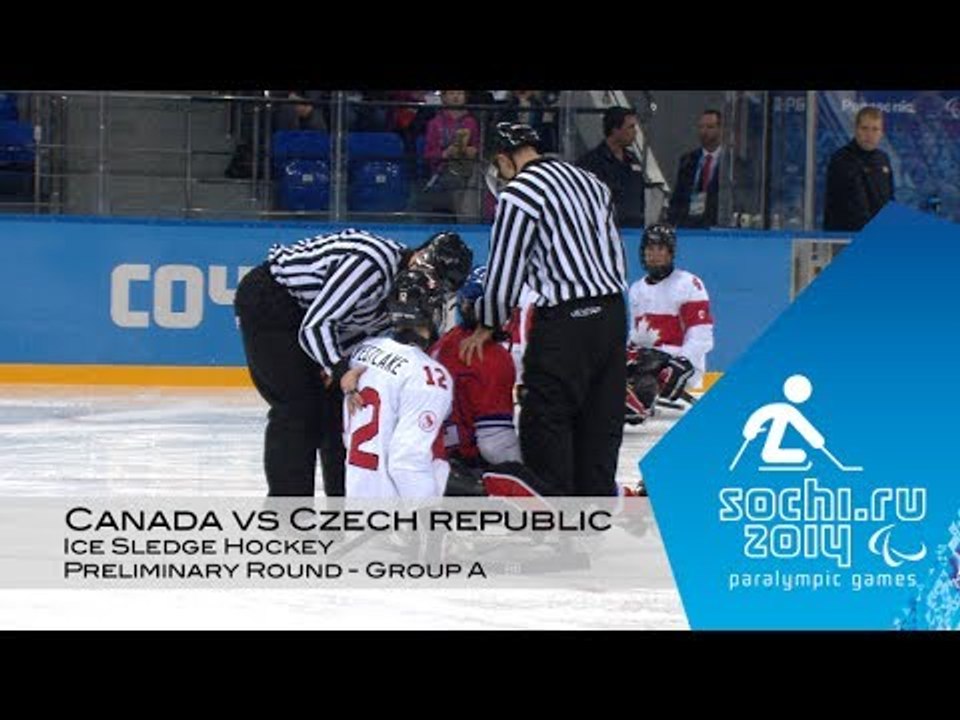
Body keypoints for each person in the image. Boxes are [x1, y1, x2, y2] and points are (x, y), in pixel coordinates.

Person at [233, 228, 472, 497]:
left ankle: (343, 507)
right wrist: (336, 367)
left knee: (338, 410)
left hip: (312, 315)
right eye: (432, 279)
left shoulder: (406, 289)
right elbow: (317, 324)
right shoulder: (371, 263)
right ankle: (289, 515)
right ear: (419, 257)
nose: (431, 289)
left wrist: (332, 363)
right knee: (298, 410)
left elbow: (355, 327)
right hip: (272, 301)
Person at [461, 122, 628, 497]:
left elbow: (506, 263)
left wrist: (488, 322)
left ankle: (555, 523)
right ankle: (592, 517)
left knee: (546, 418)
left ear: (504, 160)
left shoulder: (520, 192)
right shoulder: (591, 182)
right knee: (600, 424)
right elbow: (616, 256)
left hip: (566, 321)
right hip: (612, 314)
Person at [340, 269, 454, 498]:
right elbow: (406, 462)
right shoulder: (429, 374)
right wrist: (427, 521)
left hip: (357, 504)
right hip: (395, 519)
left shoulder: (363, 351)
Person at [430, 266, 521, 468]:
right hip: (468, 464)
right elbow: (494, 444)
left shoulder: (445, 342)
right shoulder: (490, 357)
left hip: (433, 456)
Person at [625, 224, 714, 426]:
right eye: (650, 249)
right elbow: (636, 335)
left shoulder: (688, 284)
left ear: (670, 253)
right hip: (646, 361)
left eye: (660, 249)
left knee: (645, 378)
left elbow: (701, 333)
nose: (654, 255)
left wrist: (684, 362)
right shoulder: (636, 289)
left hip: (678, 364)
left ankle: (641, 399)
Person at [823, 105, 894, 232]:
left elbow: (889, 200)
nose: (869, 134)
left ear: (881, 133)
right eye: (864, 128)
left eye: (875, 129)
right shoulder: (842, 159)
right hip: (846, 237)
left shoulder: (884, 159)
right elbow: (855, 205)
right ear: (856, 129)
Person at [577, 106, 646, 228]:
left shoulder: (632, 159)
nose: (635, 132)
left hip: (635, 228)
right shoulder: (590, 162)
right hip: (605, 229)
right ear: (615, 130)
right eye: (630, 127)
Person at [667, 109, 723, 228]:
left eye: (710, 127)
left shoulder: (730, 163)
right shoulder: (688, 160)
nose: (704, 132)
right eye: (701, 127)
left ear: (720, 129)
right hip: (688, 224)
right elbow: (678, 195)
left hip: (716, 224)